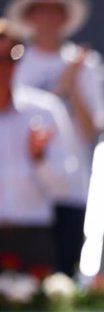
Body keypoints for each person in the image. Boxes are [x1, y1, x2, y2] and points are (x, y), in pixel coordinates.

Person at [6, 0, 104, 275]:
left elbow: (89, 129)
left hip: (68, 186)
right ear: (30, 17)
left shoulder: (84, 63)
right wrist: (63, 82)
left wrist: (72, 84)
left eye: (55, 10)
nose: (48, 18)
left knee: (60, 277)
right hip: (24, 192)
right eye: (40, 10)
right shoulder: (16, 59)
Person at [0, 17, 74, 269]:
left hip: (32, 240)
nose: (3, 67)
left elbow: (65, 186)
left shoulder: (45, 110)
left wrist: (38, 158)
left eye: (10, 56)